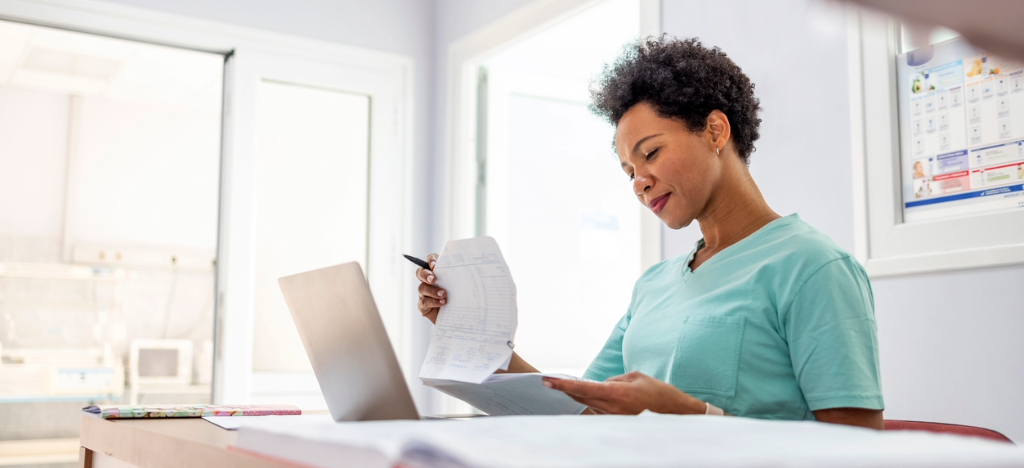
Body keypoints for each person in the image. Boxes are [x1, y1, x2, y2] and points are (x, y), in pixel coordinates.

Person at [415, 37, 884, 429]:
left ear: (716, 131)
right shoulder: (653, 286)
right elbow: (581, 408)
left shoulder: (812, 267)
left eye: (652, 153)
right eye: (628, 171)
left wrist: (693, 413)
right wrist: (476, 334)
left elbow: (855, 447)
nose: (639, 182)